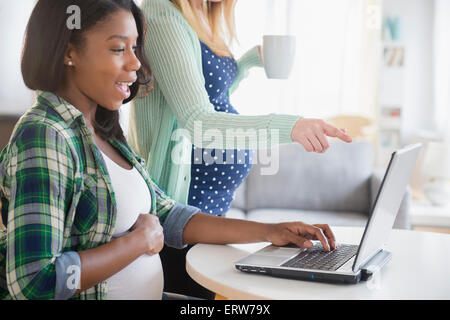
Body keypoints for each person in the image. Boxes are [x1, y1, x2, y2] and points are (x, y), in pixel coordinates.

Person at [0, 0, 337, 300]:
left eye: (136, 48)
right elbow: (33, 283)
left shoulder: (105, 134)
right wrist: (136, 243)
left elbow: (168, 215)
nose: (137, 64)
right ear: (68, 51)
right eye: (119, 49)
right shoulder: (45, 136)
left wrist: (271, 231)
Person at [127, 0, 352, 299]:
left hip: (208, 216)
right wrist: (291, 127)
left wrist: (244, 64)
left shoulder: (203, 14)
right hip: (178, 221)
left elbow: (209, 97)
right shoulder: (163, 16)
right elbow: (197, 123)